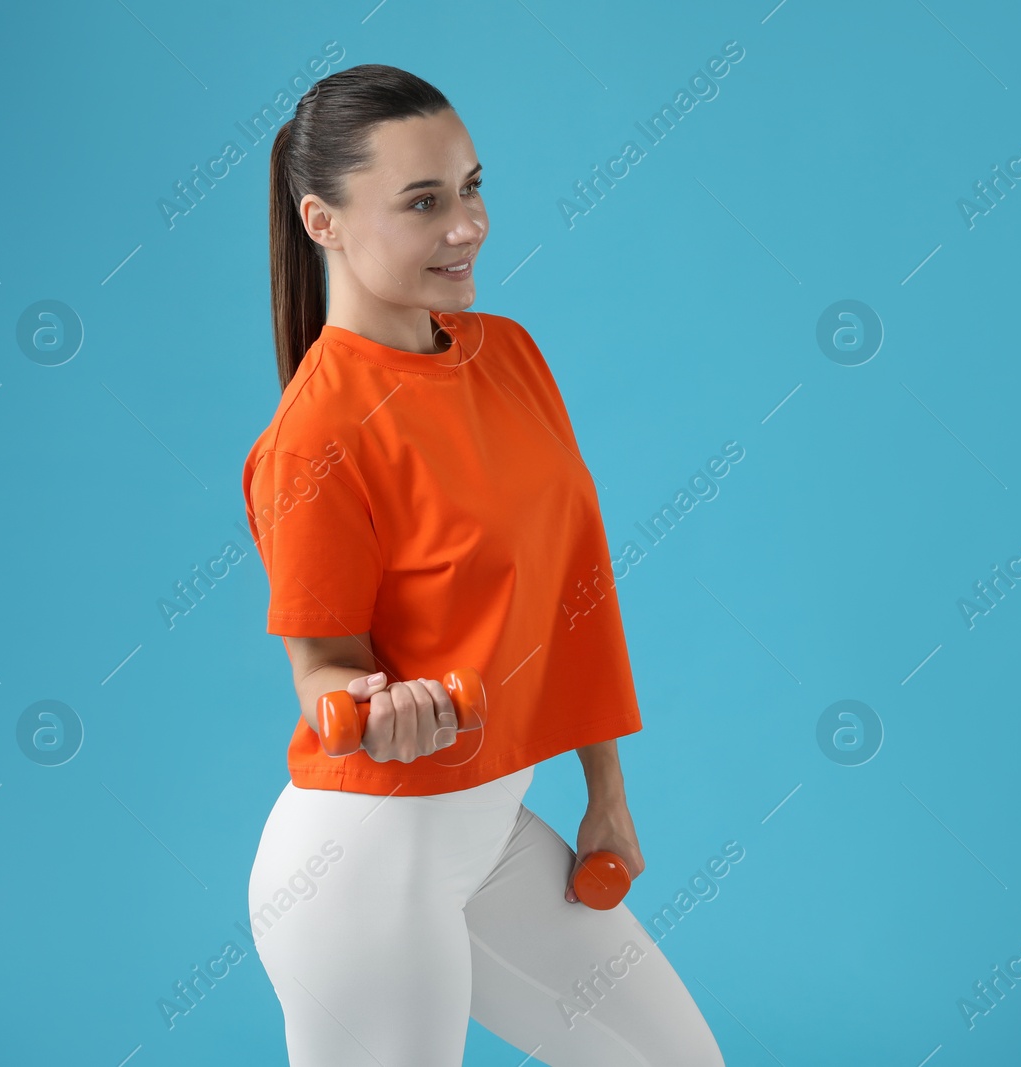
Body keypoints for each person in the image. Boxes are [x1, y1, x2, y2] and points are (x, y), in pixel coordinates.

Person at [240, 63, 725, 1067]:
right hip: (362, 861)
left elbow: (576, 579)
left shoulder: (506, 353)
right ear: (321, 220)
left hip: (488, 830)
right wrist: (382, 706)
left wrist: (608, 789)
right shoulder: (314, 437)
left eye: (470, 187)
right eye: (423, 202)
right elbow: (320, 670)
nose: (467, 226)